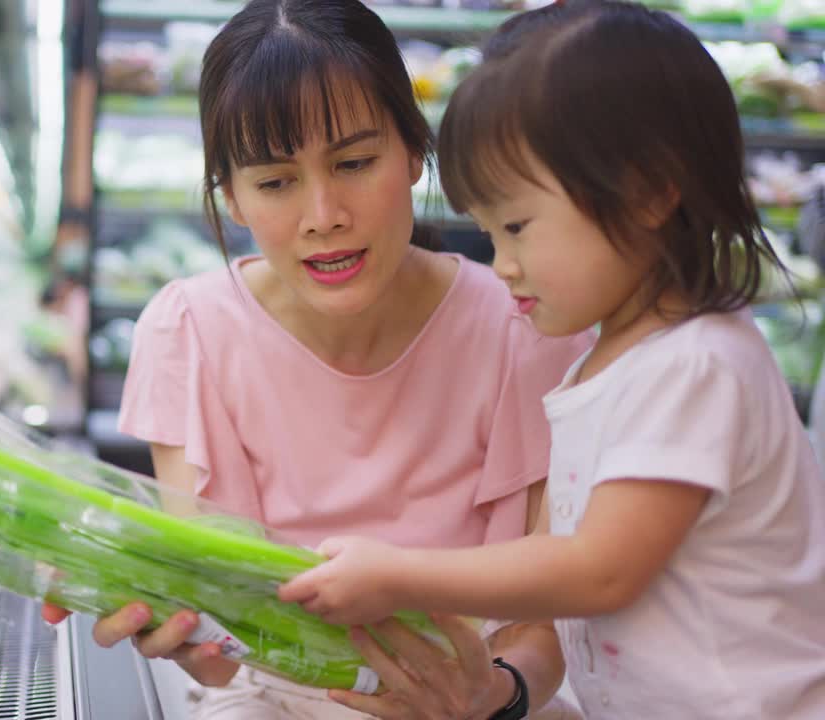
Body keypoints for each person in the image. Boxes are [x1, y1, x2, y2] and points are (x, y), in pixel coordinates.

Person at [47, 1, 595, 718]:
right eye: (276, 182)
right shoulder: (187, 332)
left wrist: (494, 694)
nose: (324, 213)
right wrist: (179, 628)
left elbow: (545, 627)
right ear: (232, 197)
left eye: (356, 162)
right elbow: (218, 658)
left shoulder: (525, 329)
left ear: (413, 151)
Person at [280, 1, 825, 717]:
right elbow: (557, 549)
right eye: (488, 234)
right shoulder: (602, 366)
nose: (501, 265)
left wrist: (404, 576)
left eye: (516, 227)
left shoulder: (698, 366)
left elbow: (597, 571)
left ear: (650, 191)